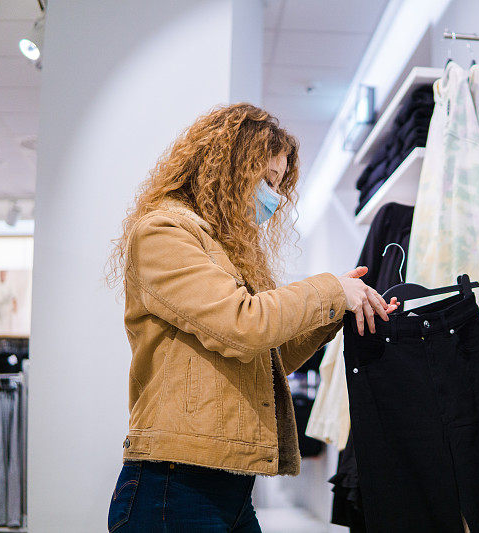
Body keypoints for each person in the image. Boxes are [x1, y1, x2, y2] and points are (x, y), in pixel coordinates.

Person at [105, 103, 397, 532]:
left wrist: (338, 310)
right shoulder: (164, 232)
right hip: (175, 485)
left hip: (229, 487)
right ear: (231, 166)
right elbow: (243, 326)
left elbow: (268, 357)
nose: (275, 198)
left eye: (280, 186)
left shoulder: (226, 250)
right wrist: (329, 289)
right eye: (268, 180)